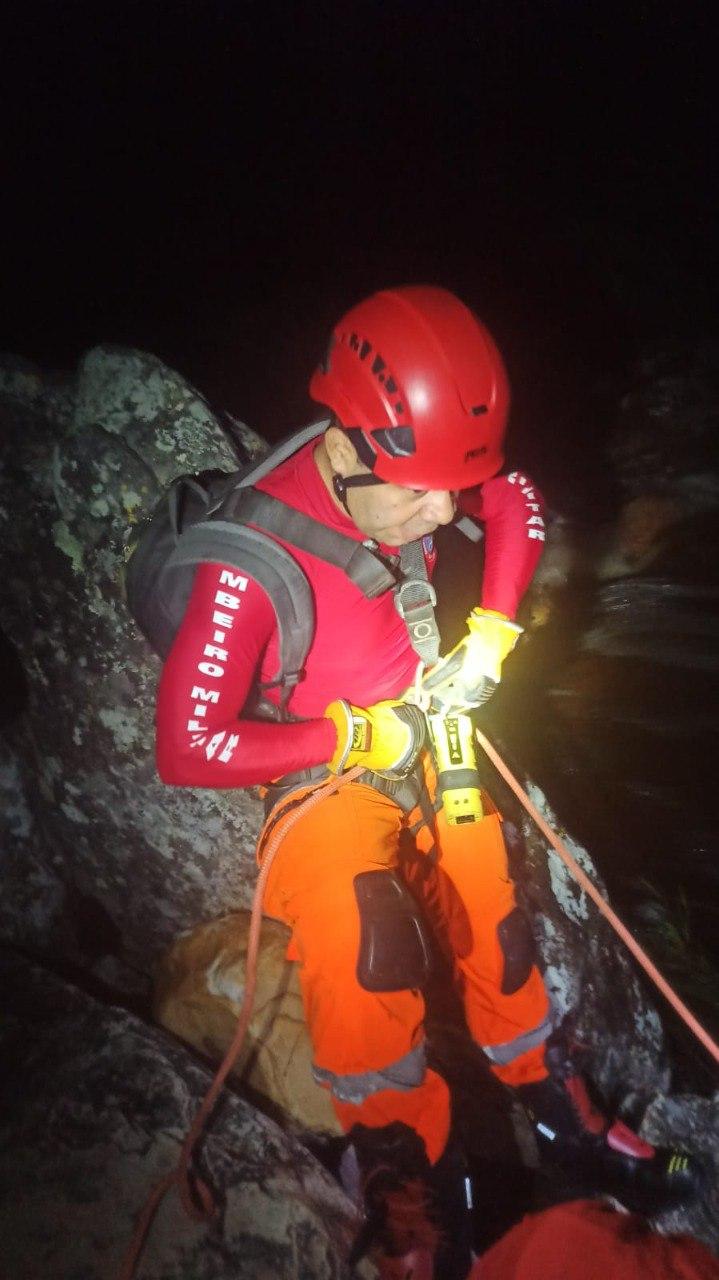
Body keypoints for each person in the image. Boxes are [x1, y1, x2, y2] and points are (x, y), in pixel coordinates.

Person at [155, 286, 700, 1278]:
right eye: (421, 489)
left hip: (433, 725)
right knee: (363, 934)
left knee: (491, 901)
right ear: (352, 442)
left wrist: (489, 633)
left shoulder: (414, 473)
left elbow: (511, 500)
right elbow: (188, 743)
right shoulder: (248, 560)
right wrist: (355, 731)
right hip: (327, 768)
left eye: (449, 485)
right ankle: (409, 1176)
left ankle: (556, 1110)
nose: (444, 511)